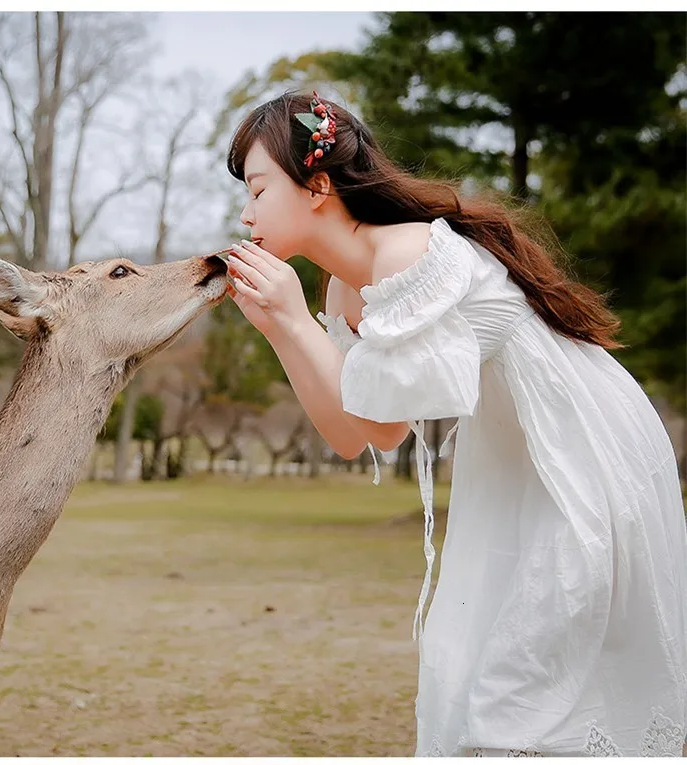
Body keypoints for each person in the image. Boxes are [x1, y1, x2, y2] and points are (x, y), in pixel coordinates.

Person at [222, 90, 687, 757]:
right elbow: (358, 434)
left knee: (522, 694)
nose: (246, 214)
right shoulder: (342, 287)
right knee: (482, 675)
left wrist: (293, 320)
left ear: (318, 183)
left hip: (580, 453)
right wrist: (281, 327)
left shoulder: (407, 252)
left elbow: (384, 416)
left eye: (260, 190)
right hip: (516, 467)